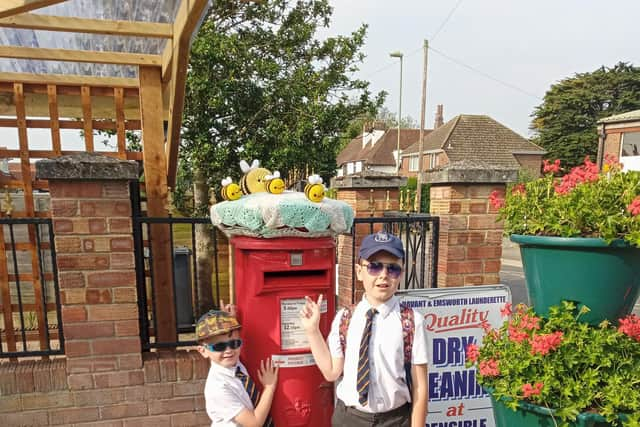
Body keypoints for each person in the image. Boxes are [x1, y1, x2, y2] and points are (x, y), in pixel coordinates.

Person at [299, 231, 428, 427]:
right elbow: (332, 372)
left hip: (395, 419)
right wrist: (312, 331)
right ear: (359, 272)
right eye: (374, 267)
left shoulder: (411, 321)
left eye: (392, 268)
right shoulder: (345, 318)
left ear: (401, 274)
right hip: (350, 418)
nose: (384, 275)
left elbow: (420, 388)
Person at [196, 304, 278, 427]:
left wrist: (229, 319)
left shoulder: (233, 364)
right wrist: (269, 387)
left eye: (234, 343)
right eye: (220, 346)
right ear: (203, 351)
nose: (229, 350)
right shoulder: (218, 388)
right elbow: (254, 423)